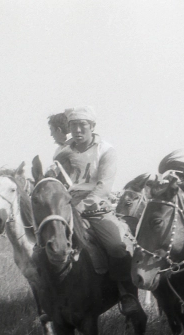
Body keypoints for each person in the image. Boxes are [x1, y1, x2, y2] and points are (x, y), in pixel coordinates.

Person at [54, 106, 142, 314]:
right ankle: (48, 294)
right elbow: (58, 184)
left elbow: (104, 186)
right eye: (73, 125)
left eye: (82, 125)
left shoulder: (106, 150)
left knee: (117, 246)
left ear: (92, 127)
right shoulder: (61, 152)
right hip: (66, 208)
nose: (77, 130)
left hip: (96, 210)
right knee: (44, 245)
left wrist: (83, 206)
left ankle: (125, 293)